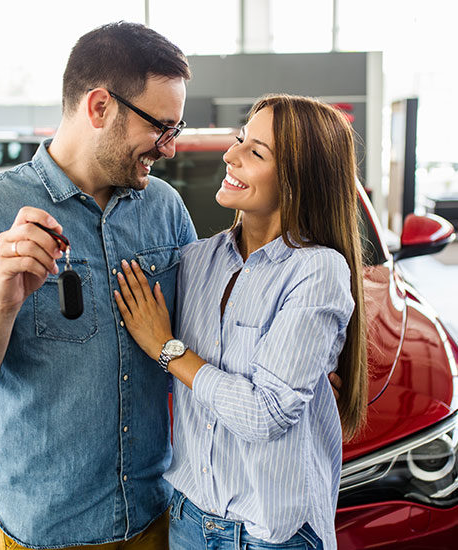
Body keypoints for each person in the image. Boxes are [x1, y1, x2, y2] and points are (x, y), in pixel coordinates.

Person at [0, 22, 195, 549]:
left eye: (175, 130)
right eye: (162, 128)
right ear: (99, 107)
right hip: (44, 532)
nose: (170, 148)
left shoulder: (164, 209)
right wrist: (2, 301)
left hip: (158, 516)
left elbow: (206, 332)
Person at [114, 94, 368, 549]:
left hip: (271, 537)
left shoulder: (318, 270)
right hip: (188, 522)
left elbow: (264, 414)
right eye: (239, 141)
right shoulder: (196, 261)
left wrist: (167, 349)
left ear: (297, 179)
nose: (230, 156)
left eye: (255, 152)